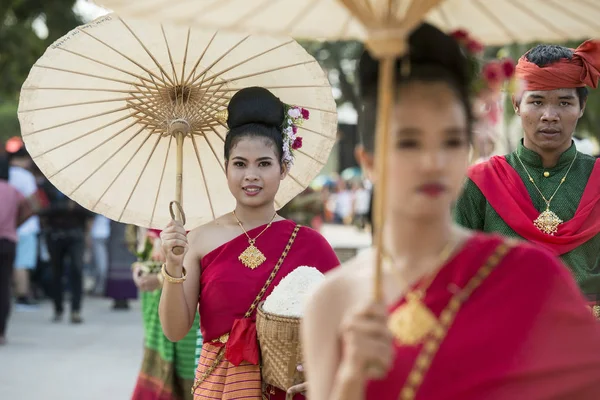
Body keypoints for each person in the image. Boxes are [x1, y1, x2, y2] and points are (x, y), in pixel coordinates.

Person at [301, 23, 600, 400]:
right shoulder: (333, 301)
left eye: (451, 140)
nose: (432, 162)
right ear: (368, 161)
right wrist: (349, 382)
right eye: (408, 142)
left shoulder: (531, 274)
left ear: (467, 151)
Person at [159, 87, 340, 399]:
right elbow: (175, 331)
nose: (251, 175)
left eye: (264, 164)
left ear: (283, 168)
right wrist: (172, 265)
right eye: (240, 164)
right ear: (226, 167)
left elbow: (346, 325)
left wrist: (326, 368)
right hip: (219, 388)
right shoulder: (198, 240)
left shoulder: (311, 245)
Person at [454, 40, 600, 308]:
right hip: (503, 339)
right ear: (517, 104)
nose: (549, 115)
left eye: (564, 102)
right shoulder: (480, 183)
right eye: (537, 101)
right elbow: (455, 272)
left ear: (581, 107)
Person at [132, 228, 199, 400]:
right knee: (158, 360)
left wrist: (163, 278)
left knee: (190, 368)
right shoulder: (153, 210)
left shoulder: (206, 217)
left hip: (190, 302)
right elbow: (143, 252)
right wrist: (139, 268)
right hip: (153, 301)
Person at [38, 178, 95, 323]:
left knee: (77, 270)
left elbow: (90, 212)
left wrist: (72, 208)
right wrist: (64, 207)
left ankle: (76, 310)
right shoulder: (47, 185)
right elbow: (40, 209)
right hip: (55, 234)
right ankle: (58, 308)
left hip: (76, 235)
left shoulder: (80, 185)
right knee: (56, 272)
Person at [0, 154, 33, 345]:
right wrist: (16, 222)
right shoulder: (13, 191)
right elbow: (35, 204)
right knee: (4, 286)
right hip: (8, 241)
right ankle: (1, 331)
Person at [7, 142, 40, 308]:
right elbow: (34, 202)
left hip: (7, 227)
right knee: (22, 263)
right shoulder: (25, 177)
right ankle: (22, 297)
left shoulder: (6, 174)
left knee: (10, 263)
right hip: (26, 227)